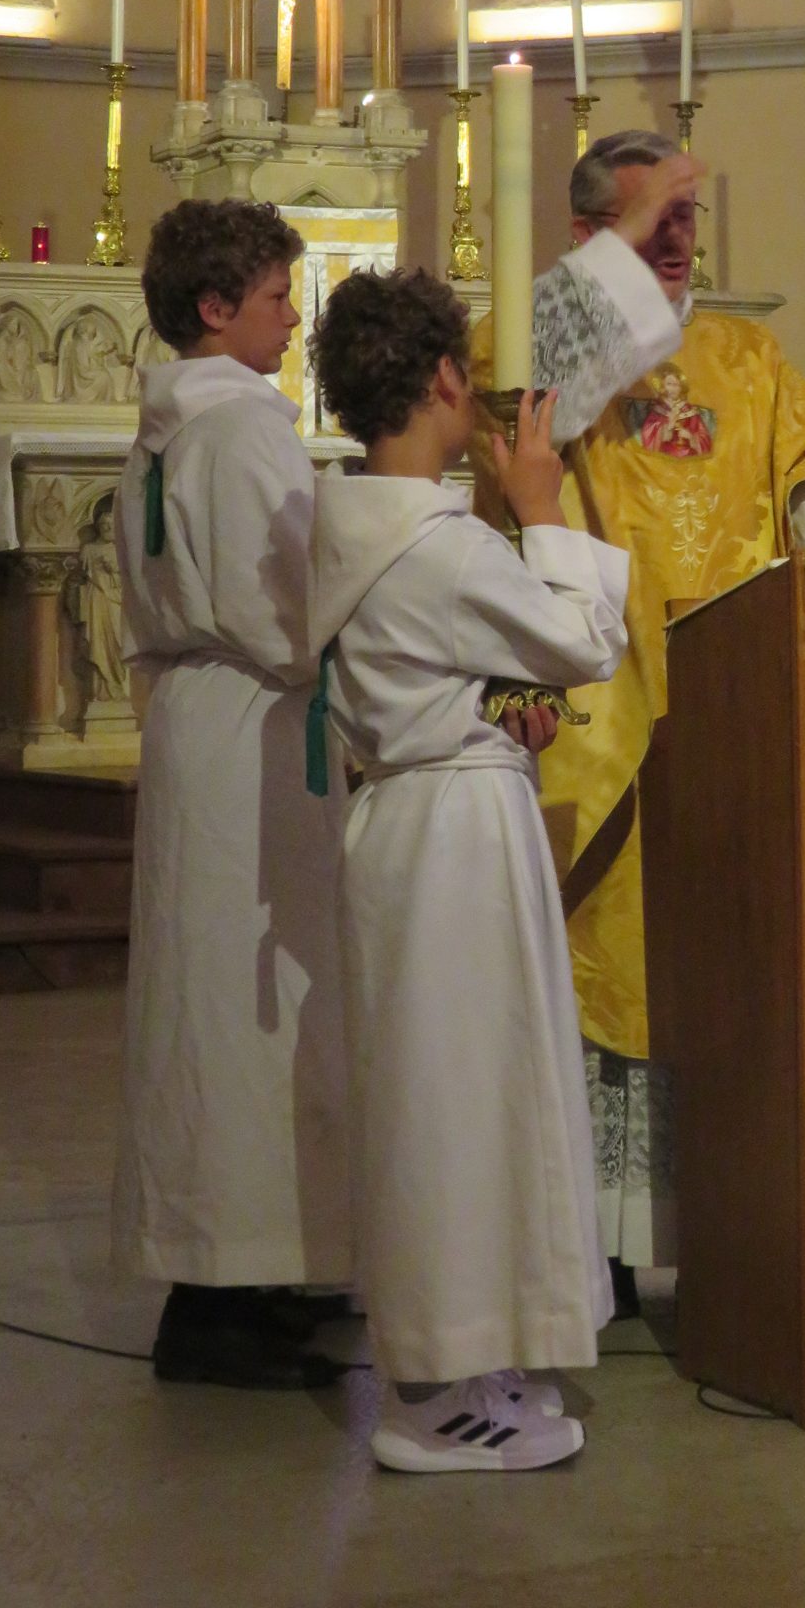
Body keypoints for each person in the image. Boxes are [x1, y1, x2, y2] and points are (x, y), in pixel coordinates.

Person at [473, 130, 805, 1292]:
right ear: (588, 238)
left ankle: (727, 1230)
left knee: (726, 967)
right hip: (602, 702)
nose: (680, 238)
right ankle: (597, 1250)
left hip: (737, 704)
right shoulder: (538, 348)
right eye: (655, 219)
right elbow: (512, 416)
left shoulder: (747, 354)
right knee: (608, 960)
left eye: (689, 218)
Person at [310, 270, 630, 1473]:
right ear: (445, 379)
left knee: (452, 1095)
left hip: (417, 816)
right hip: (453, 841)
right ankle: (430, 1400)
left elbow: (446, 675)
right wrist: (541, 506)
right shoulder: (437, 546)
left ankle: (469, 1355)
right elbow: (585, 638)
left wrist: (494, 706)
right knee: (456, 1104)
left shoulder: (354, 526)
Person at [111, 200, 350, 1389]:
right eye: (274, 297)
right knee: (251, 1017)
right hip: (255, 723)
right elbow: (291, 605)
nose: (292, 318)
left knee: (206, 1016)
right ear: (215, 306)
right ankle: (217, 1304)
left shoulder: (164, 428)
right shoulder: (244, 429)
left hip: (195, 721)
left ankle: (238, 1279)